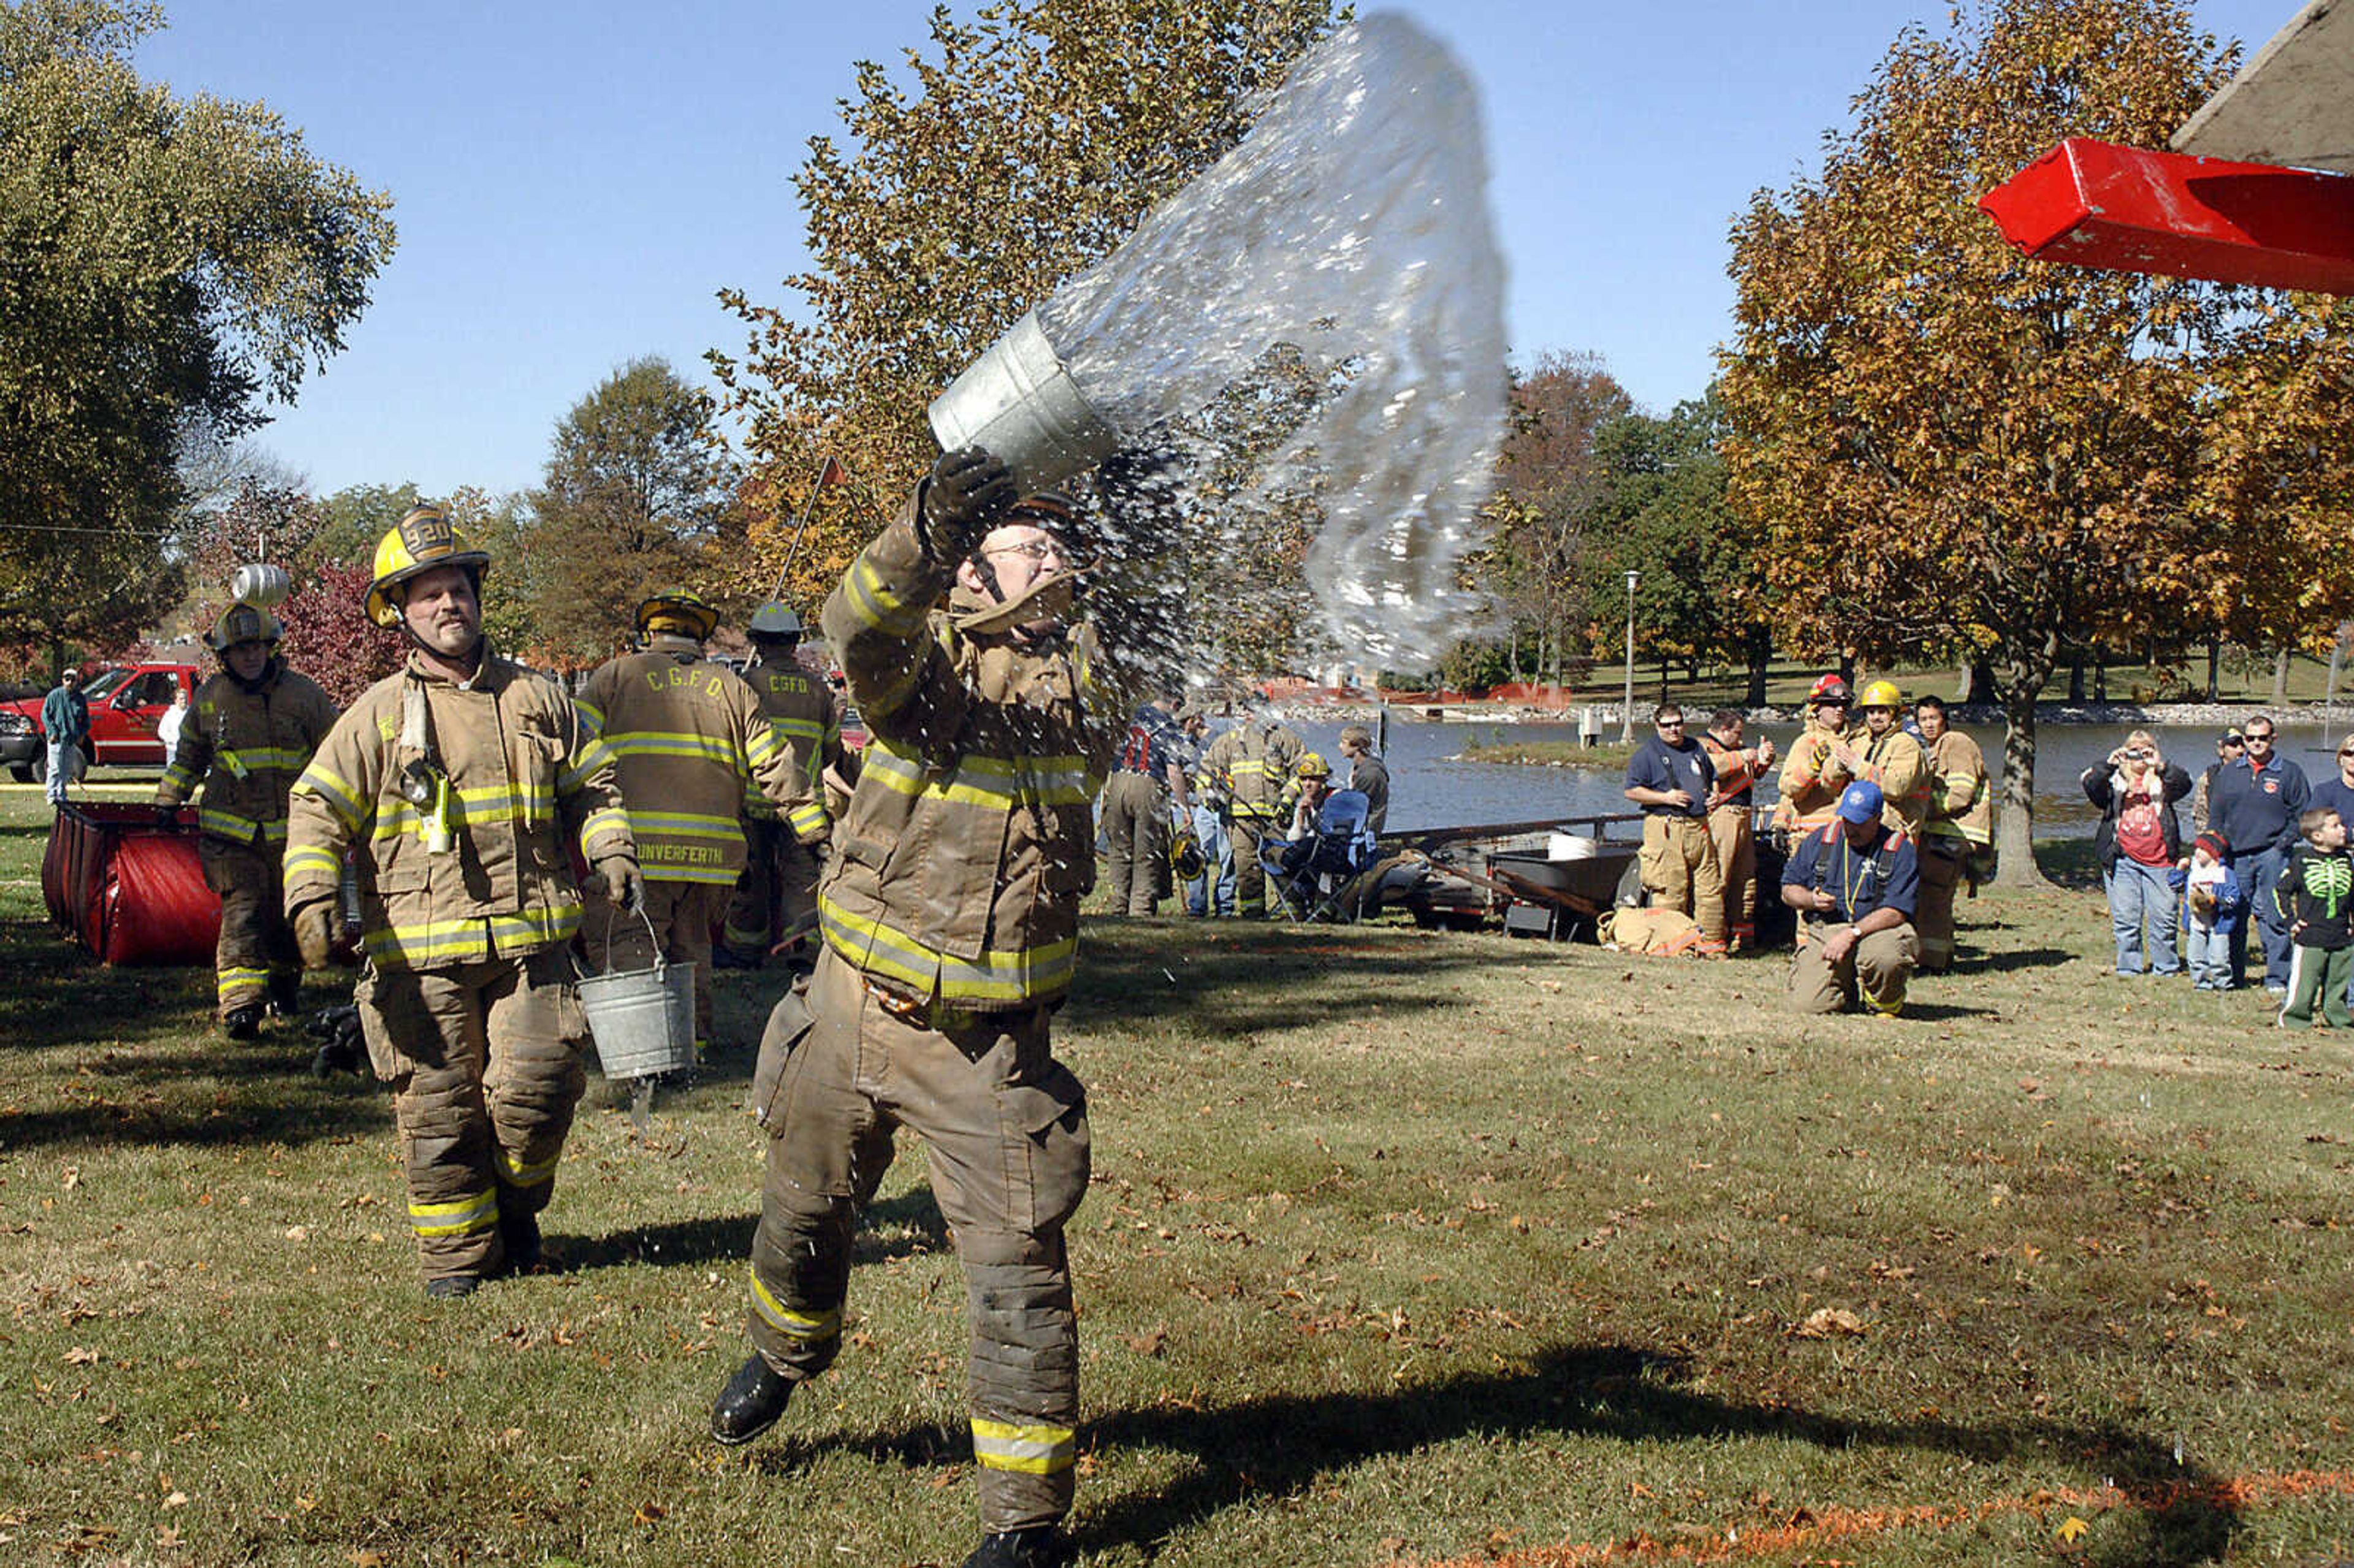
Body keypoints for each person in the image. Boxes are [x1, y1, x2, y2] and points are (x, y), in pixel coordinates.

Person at [712, 449, 1147, 1568]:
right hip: (854, 1006)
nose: (1045, 553)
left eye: (1060, 542)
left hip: (992, 1052)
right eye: (1021, 537)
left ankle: (1026, 1521)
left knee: (1019, 1270)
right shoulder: (925, 671)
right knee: (804, 1209)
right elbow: (857, 623)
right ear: (969, 565)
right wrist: (925, 522)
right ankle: (783, 1349)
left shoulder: (1089, 690)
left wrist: (1144, 510)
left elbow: (1144, 617)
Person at [283, 505, 639, 1300]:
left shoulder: (541, 699)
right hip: (419, 957)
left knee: (539, 1094)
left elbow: (598, 786)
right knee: (440, 1115)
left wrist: (611, 848)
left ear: (479, 597)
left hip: (533, 947)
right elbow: (316, 805)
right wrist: (309, 894)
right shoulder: (377, 714)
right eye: (429, 594)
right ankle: (457, 1263)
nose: (449, 604)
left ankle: (517, 1209)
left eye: (458, 588)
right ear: (401, 615)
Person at [576, 588, 820, 1051]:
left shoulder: (616, 676)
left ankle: (644, 1055)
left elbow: (572, 742)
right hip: (711, 859)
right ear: (700, 639)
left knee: (632, 944)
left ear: (651, 633)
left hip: (638, 852)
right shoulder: (732, 687)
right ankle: (695, 1044)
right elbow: (775, 763)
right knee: (693, 953)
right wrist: (814, 829)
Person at [154, 603, 340, 1038]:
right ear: (225, 656)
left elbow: (337, 757)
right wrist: (168, 800)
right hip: (232, 839)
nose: (251, 657)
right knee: (244, 916)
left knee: (287, 919)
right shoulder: (212, 700)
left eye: (256, 647)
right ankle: (241, 1008)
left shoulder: (305, 696)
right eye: (240, 650)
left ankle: (284, 985)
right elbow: (189, 758)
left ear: (270, 647)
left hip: (295, 837)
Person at [721, 602, 840, 969]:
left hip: (754, 802)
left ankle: (743, 952)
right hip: (804, 809)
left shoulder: (747, 685)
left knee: (749, 881)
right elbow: (833, 750)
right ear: (794, 643)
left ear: (758, 641)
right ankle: (801, 954)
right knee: (801, 882)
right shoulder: (819, 690)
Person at [1780, 779, 1921, 1016]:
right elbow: (1788, 890)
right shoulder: (1822, 841)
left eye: (1860, 823)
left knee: (1885, 957)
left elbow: (1896, 911)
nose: (1851, 828)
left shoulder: (1899, 849)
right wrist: (1810, 900)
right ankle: (1844, 993)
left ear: (1877, 817)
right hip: (1828, 931)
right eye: (1847, 820)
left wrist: (1852, 934)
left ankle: (1884, 1003)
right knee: (1806, 1006)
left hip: (1878, 931)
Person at [2208, 714, 2309, 994]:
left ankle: (2278, 977)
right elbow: (2216, 814)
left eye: (2262, 738)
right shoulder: (2229, 772)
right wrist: (2214, 847)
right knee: (2233, 914)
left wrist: (2282, 844)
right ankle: (2235, 976)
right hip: (2234, 855)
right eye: (2250, 738)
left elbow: (2302, 815)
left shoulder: (2290, 772)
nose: (2255, 743)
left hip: (2272, 854)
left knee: (2274, 915)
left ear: (2273, 738)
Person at [2083, 730, 2190, 978]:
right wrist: (2108, 765)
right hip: (2122, 859)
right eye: (2133, 751)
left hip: (2161, 860)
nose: (2139, 756)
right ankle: (2129, 968)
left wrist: (2160, 765)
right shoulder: (2115, 782)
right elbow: (2092, 787)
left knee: (2164, 918)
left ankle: (2166, 967)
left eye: (2146, 750)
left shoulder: (2163, 782)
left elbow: (2184, 784)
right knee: (2126, 919)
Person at [1622, 702, 1726, 954]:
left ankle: (1711, 948)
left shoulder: (1695, 748)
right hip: (1666, 827)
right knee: (1671, 890)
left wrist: (1714, 795)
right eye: (1667, 725)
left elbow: (1711, 776)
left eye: (1678, 723)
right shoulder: (1647, 754)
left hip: (1699, 827)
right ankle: (1674, 948)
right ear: (1657, 726)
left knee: (1711, 889)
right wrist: (1665, 798)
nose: (1674, 730)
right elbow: (1631, 791)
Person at [1198, 696, 1303, 919]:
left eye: (1254, 710)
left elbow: (1303, 771)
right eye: (1246, 710)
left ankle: (1293, 910)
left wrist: (1288, 799)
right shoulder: (1230, 741)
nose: (1249, 715)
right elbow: (1206, 770)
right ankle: (1252, 913)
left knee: (1283, 863)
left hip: (1276, 817)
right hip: (1240, 818)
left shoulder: (1283, 738)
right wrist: (1210, 794)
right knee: (1246, 867)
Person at [1911, 696, 1990, 973]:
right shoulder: (1935, 749)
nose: (1929, 725)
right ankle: (1937, 957)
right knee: (1934, 897)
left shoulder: (1956, 743)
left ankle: (1933, 963)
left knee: (1933, 898)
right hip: (1940, 835)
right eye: (1923, 720)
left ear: (1944, 719)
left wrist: (1921, 809)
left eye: (1933, 718)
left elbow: (1960, 794)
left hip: (1951, 836)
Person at [1099, 687, 1191, 915]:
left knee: (1120, 850)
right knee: (1146, 852)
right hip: (1149, 786)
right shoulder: (1170, 728)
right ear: (1175, 704)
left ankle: (1118, 906)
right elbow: (1173, 770)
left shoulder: (1130, 718)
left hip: (1118, 782)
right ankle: (1140, 910)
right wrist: (1184, 807)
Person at [1697, 709, 1773, 952]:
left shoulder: (1736, 750)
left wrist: (1763, 760)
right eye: (1737, 734)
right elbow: (1710, 769)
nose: (1741, 740)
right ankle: (1711, 936)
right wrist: (1743, 756)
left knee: (1746, 879)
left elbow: (1751, 775)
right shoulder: (1703, 746)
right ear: (1723, 730)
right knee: (1720, 876)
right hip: (1722, 816)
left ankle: (1742, 938)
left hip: (1743, 816)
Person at [2272, 805, 2353, 1029]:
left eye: (2342, 825)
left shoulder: (2346, 860)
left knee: (2339, 982)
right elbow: (2281, 891)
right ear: (2317, 836)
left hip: (2341, 934)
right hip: (2311, 935)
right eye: (2335, 826)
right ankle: (2295, 1019)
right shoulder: (2302, 861)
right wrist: (2290, 921)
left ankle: (2339, 1019)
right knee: (2305, 983)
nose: (2343, 830)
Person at [1835, 680, 1930, 837]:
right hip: (1859, 827)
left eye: (1882, 712)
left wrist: (1859, 767)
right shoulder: (1860, 741)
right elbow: (1829, 786)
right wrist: (1837, 765)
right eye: (1871, 712)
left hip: (1894, 831)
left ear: (1894, 714)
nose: (1876, 718)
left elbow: (1898, 787)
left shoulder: (1906, 744)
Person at [1770, 674, 1856, 840]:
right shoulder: (1807, 742)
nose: (1840, 709)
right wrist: (1780, 824)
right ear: (1817, 708)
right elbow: (1788, 790)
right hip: (1812, 835)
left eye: (1844, 704)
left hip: (1849, 835)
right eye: (1832, 704)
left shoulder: (1858, 739)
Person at [1179, 707, 1235, 918]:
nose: (1183, 728)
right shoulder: (1188, 745)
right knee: (1197, 856)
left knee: (1228, 856)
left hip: (1224, 806)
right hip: (1202, 808)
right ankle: (1197, 906)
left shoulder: (1221, 739)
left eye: (1185, 722)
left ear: (1196, 720)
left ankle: (1225, 906)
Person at [2184, 831, 2245, 992]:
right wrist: (2178, 870)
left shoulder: (2224, 873)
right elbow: (2176, 886)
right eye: (2196, 848)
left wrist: (2217, 900)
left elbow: (2234, 897)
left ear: (2214, 853)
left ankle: (2223, 983)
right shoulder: (2194, 873)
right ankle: (2201, 983)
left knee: (2219, 956)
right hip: (2196, 921)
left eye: (2202, 849)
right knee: (2195, 956)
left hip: (2219, 922)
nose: (2197, 852)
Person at [41, 667, 89, 807]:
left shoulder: (80, 698)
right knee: (55, 768)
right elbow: (45, 715)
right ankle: (51, 794)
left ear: (76, 682)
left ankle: (62, 796)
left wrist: (82, 734)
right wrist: (52, 732)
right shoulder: (54, 696)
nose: (69, 682)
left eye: (72, 680)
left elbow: (86, 720)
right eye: (66, 679)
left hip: (71, 740)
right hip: (56, 740)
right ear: (63, 680)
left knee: (66, 770)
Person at [1338, 723, 1390, 834]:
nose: (1340, 746)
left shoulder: (1370, 773)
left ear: (1357, 746)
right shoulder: (1359, 767)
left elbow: (1358, 803)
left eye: (1344, 743)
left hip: (1366, 830)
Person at [2189, 729, 2244, 834]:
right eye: (2234, 746)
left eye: (2243, 746)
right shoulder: (2209, 777)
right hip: (2218, 839)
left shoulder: (2255, 775)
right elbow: (2201, 815)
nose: (2240, 750)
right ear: (2221, 750)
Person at [156, 686, 190, 770]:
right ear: (176, 700)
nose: (184, 701)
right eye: (181, 699)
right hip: (173, 749)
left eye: (185, 698)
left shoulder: (191, 714)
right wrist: (173, 740)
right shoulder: (170, 715)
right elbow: (162, 732)